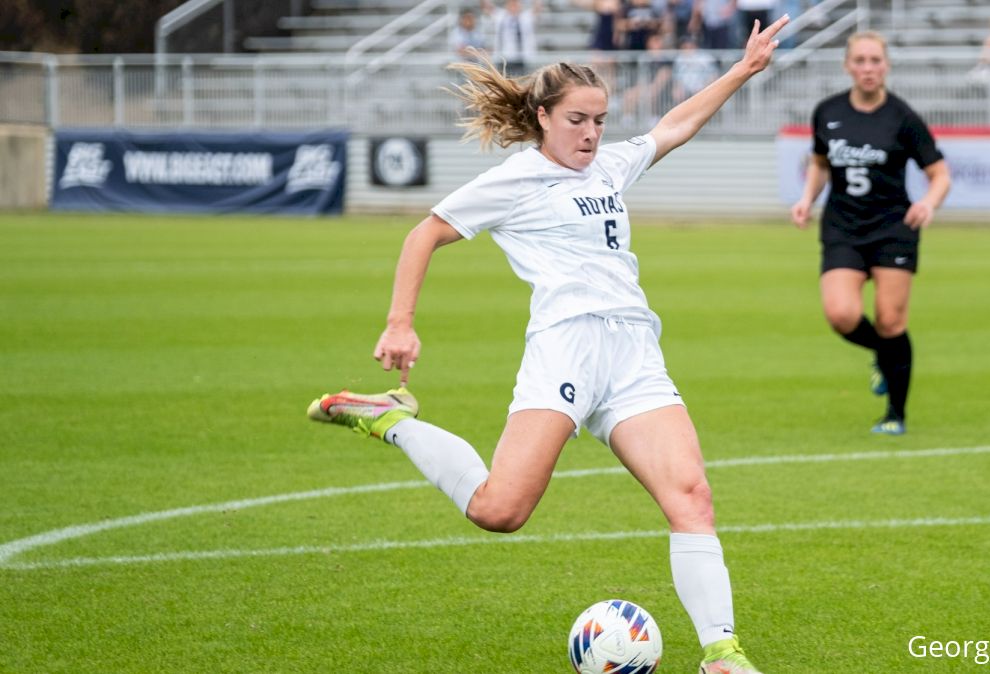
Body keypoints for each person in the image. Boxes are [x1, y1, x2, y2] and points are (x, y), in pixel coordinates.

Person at [308, 15, 791, 674]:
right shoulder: (515, 179)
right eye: (577, 120)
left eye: (599, 119)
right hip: (565, 350)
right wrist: (400, 322)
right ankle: (391, 420)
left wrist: (741, 70)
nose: (592, 133)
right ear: (542, 117)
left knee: (691, 497)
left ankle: (722, 654)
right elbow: (424, 233)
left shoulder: (611, 165)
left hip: (633, 353)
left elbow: (673, 126)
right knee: (500, 511)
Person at [789, 31, 951, 436]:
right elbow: (821, 162)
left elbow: (939, 173)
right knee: (841, 314)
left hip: (893, 228)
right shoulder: (827, 111)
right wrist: (808, 197)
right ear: (847, 65)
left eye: (875, 60)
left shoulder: (903, 117)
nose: (867, 68)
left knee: (891, 320)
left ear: (886, 65)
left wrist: (929, 202)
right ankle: (885, 355)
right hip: (843, 226)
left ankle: (895, 413)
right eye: (859, 60)